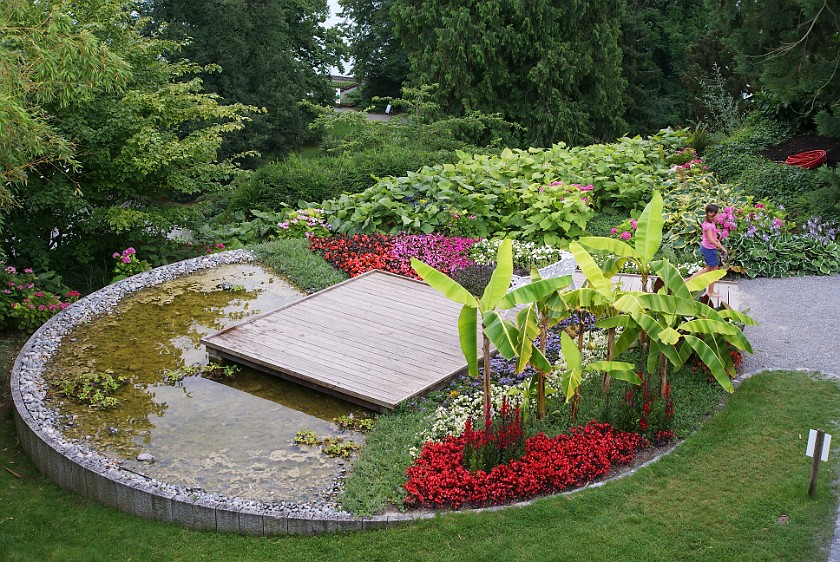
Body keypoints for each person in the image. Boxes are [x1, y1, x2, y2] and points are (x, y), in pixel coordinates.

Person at [688, 203, 728, 298]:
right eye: (716, 213)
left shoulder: (710, 223)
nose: (718, 215)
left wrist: (717, 240)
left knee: (708, 268)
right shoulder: (709, 225)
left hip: (708, 248)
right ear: (710, 213)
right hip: (709, 250)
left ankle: (688, 280)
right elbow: (710, 240)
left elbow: (711, 237)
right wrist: (722, 248)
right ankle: (710, 291)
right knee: (714, 271)